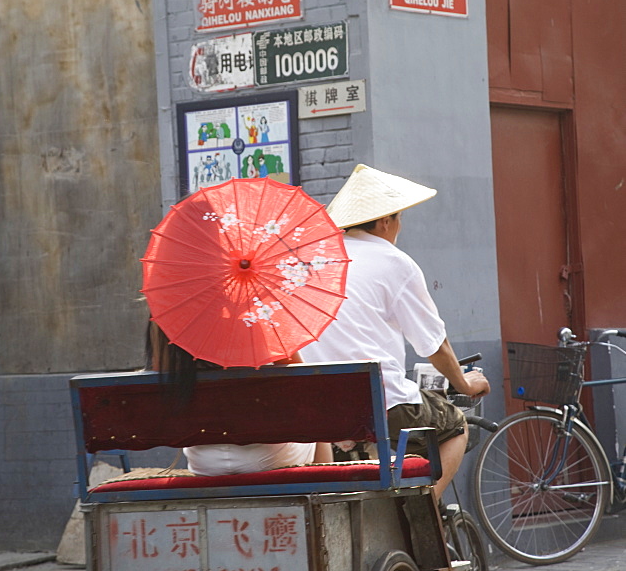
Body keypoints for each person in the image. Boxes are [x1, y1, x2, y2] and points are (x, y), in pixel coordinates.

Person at [301, 163, 490, 500]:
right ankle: (427, 512)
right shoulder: (394, 261)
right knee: (454, 426)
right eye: (399, 219)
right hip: (380, 406)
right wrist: (465, 382)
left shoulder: (311, 261)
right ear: (385, 221)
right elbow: (434, 344)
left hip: (320, 413)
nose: (399, 227)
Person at [145, 319, 333, 475]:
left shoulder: (166, 322)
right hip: (268, 459)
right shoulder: (260, 316)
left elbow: (159, 382)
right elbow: (303, 384)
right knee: (319, 421)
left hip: (205, 462)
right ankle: (324, 494)